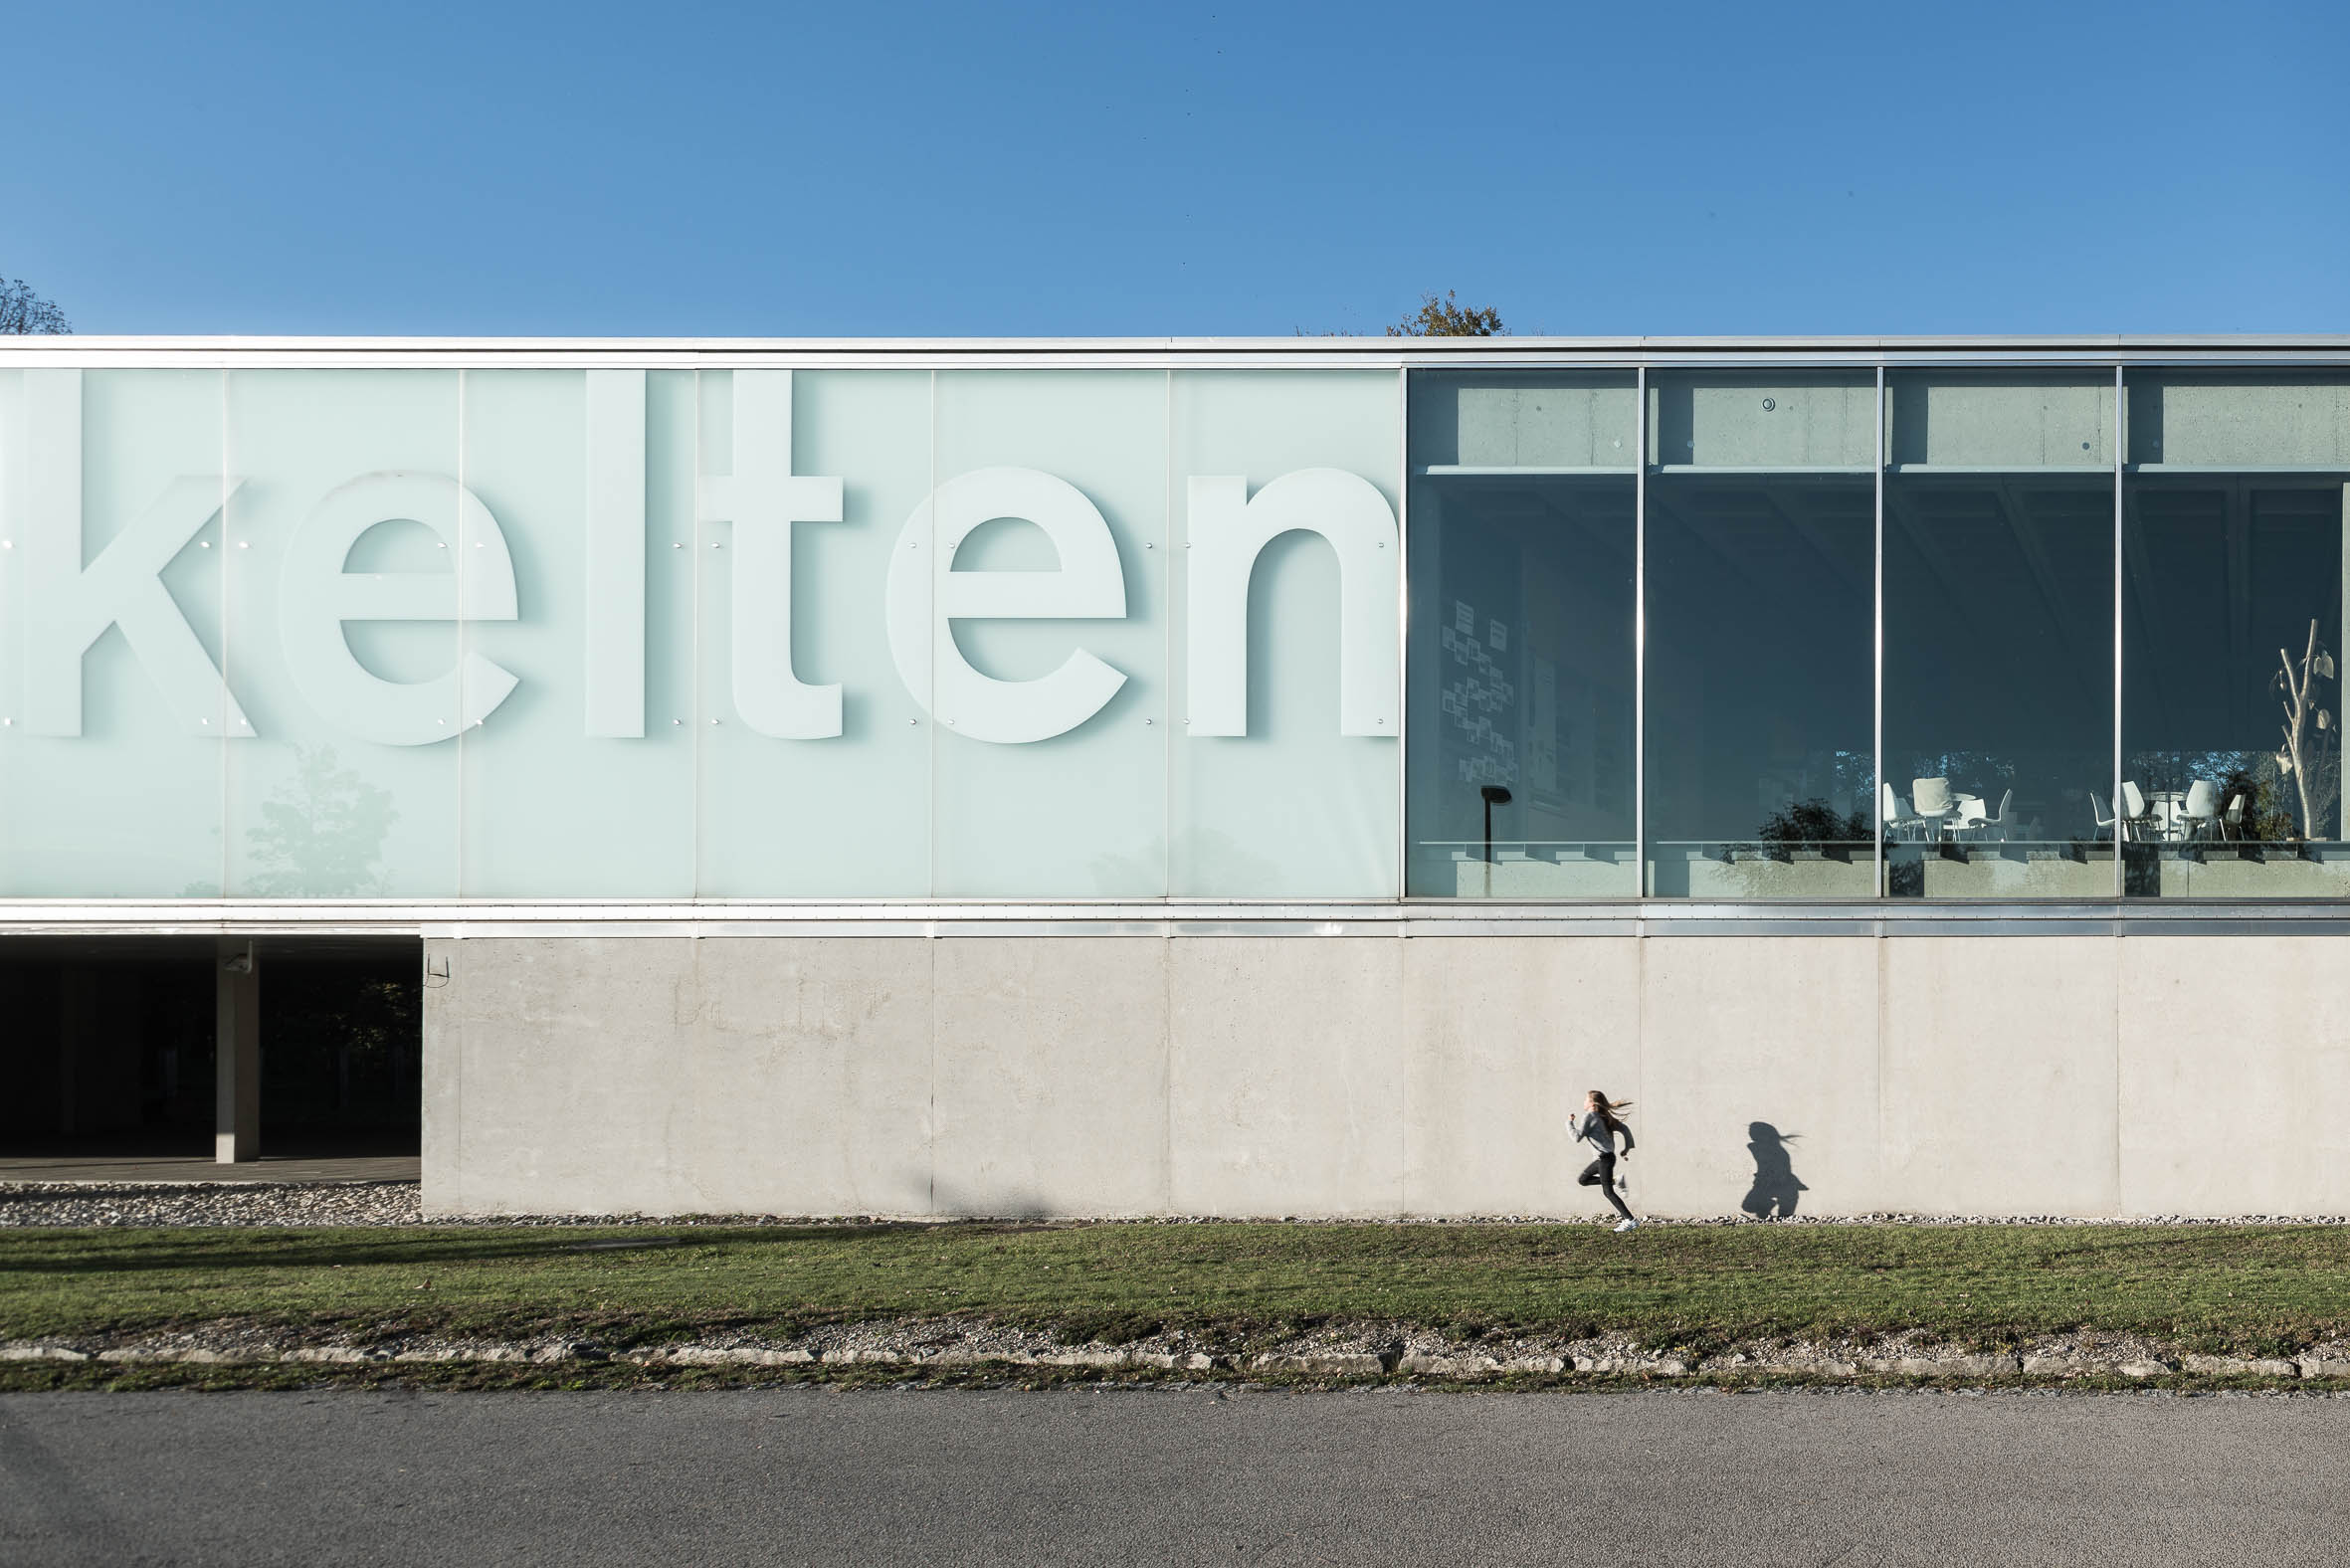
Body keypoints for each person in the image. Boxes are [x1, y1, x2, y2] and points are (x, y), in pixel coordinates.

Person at [1572, 1089, 1639, 1232]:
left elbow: (1577, 1137)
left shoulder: (1590, 1116)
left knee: (1608, 1192)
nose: (1583, 1102)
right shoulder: (1603, 1117)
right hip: (1605, 1159)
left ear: (1592, 1103)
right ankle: (1616, 1180)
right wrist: (1627, 1149)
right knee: (1583, 1180)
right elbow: (1625, 1129)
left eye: (1586, 1100)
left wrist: (1569, 1123)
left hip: (1604, 1160)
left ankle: (1630, 1220)